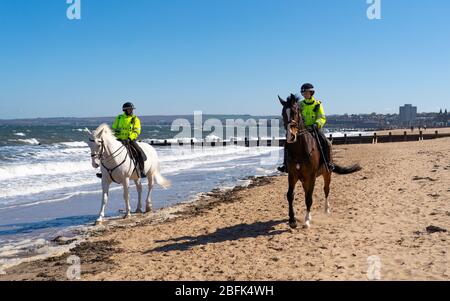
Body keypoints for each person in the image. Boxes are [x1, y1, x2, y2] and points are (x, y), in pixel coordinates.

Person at [277, 83, 334, 173]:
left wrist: (317, 124)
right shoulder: (300, 104)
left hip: (314, 128)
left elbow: (322, 117)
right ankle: (285, 165)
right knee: (288, 141)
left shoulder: (317, 104)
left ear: (311, 92)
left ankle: (328, 163)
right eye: (303, 93)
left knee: (326, 143)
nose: (304, 94)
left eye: (306, 92)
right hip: (301, 129)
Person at [96, 102, 147, 178]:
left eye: (132, 109)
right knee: (105, 153)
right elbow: (114, 128)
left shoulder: (135, 119)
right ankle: (103, 171)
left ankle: (141, 171)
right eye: (130, 109)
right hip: (118, 139)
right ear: (125, 110)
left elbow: (137, 131)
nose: (131, 111)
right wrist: (115, 135)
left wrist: (129, 138)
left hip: (130, 140)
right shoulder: (119, 117)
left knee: (139, 153)